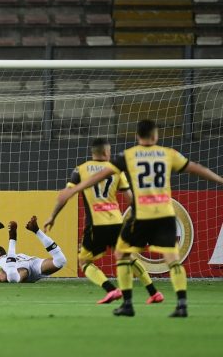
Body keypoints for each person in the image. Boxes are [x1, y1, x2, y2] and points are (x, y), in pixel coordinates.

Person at [58, 119, 223, 317]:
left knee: (122, 255)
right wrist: (220, 179)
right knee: (172, 259)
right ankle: (181, 304)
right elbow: (196, 168)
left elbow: (100, 175)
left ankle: (127, 304)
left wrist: (75, 188)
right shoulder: (167, 154)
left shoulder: (129, 155)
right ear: (155, 136)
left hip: (142, 215)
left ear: (137, 136)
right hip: (165, 214)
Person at [44, 138, 163, 305]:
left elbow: (66, 195)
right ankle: (154, 292)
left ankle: (111, 289)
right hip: (117, 222)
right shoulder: (116, 170)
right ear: (107, 153)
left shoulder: (81, 169)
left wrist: (52, 216)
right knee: (127, 258)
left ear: (93, 152)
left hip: (96, 225)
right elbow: (131, 199)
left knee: (84, 261)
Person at [0, 216, 67, 283]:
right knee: (60, 261)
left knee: (12, 277)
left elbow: (2, 278)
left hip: (19, 269)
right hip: (31, 262)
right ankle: (37, 231)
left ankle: (12, 238)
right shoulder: (18, 255)